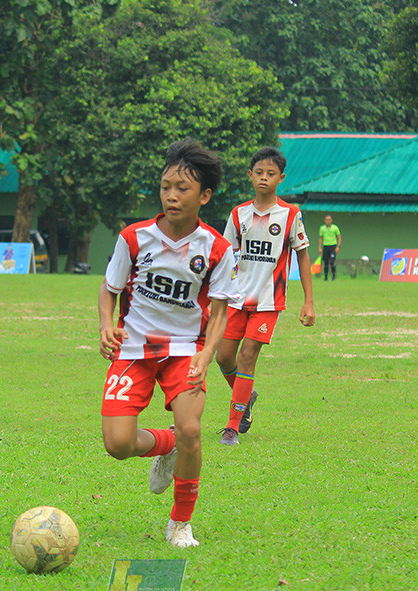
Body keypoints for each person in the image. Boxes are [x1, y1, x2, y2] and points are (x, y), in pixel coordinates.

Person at [98, 139, 237, 548]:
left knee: (192, 428)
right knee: (118, 445)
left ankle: (180, 523)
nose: (172, 196)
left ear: (205, 195)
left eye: (183, 188)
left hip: (185, 350)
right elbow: (109, 289)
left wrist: (207, 354)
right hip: (133, 351)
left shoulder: (216, 248)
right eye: (165, 187)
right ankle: (167, 443)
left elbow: (220, 309)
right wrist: (106, 325)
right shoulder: (134, 238)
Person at [215, 147, 316, 446]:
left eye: (270, 174)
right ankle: (245, 397)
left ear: (280, 178)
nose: (264, 178)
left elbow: (303, 256)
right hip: (235, 299)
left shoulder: (290, 215)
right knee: (223, 358)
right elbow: (223, 255)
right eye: (259, 172)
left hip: (268, 302)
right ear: (250, 175)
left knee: (248, 357)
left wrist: (308, 301)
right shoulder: (238, 214)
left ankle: (233, 426)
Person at [318, 215, 341, 280]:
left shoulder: (335, 228)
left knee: (332, 261)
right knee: (325, 262)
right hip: (325, 246)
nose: (328, 221)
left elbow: (339, 237)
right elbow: (320, 238)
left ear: (331, 220)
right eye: (327, 220)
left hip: (333, 246)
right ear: (325, 221)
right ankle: (326, 277)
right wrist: (319, 248)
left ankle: (333, 276)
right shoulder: (322, 228)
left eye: (329, 220)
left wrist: (338, 246)